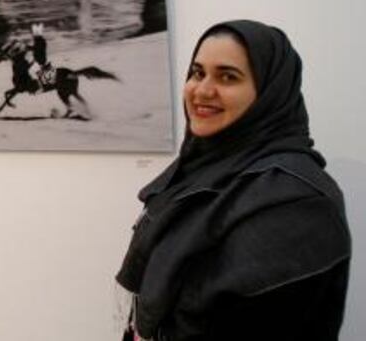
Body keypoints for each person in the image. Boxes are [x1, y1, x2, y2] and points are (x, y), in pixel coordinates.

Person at [116, 20, 351, 341]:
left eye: (228, 76)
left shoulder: (296, 203)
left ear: (269, 92)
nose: (202, 90)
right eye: (198, 73)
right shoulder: (195, 172)